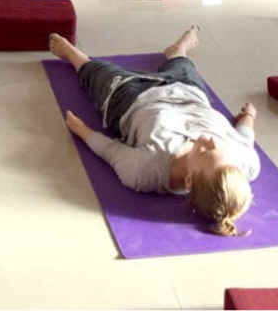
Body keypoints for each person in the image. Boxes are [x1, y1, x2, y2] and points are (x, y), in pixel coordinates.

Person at [50, 26, 259, 236]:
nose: (210, 141)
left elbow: (111, 151)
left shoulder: (146, 170)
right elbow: (245, 137)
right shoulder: (244, 163)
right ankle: (178, 51)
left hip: (131, 96)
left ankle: (73, 54)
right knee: (180, 62)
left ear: (189, 181)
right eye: (219, 146)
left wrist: (83, 131)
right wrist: (249, 116)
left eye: (205, 152)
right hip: (190, 91)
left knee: (94, 71)